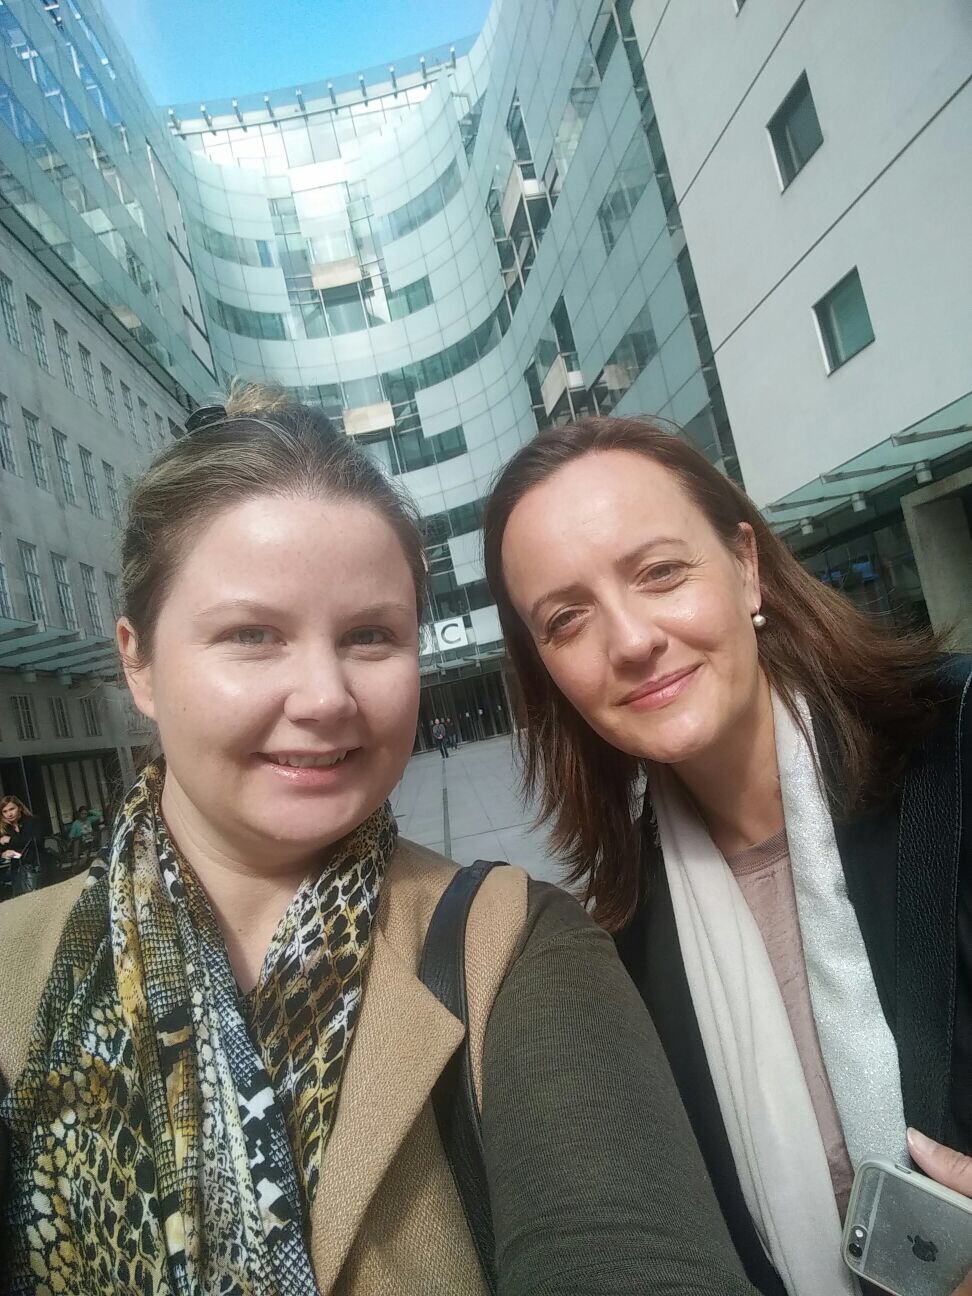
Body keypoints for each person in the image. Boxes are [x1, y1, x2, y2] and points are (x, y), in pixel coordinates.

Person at [0, 390, 758, 1296]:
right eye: (252, 636)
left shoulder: (517, 953)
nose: (324, 696)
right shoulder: (17, 971)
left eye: (370, 637)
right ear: (140, 661)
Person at [483, 415, 972, 1296]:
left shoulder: (960, 754)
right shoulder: (617, 947)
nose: (630, 640)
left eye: (660, 572)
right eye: (566, 619)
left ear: (745, 563)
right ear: (546, 670)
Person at [0, 796, 41, 896]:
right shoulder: (4, 829)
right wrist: (3, 854)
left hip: (37, 866)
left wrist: (10, 840)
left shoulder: (32, 821)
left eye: (12, 809)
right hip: (17, 870)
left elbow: (35, 841)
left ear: (20, 808)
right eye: (5, 811)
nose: (9, 814)